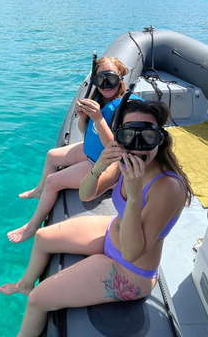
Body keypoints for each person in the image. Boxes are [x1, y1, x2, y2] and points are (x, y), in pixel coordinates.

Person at [0, 100, 192, 337]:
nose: (139, 146)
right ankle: (25, 284)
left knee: (39, 300)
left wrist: (133, 196)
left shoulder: (167, 187)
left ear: (160, 138)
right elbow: (86, 193)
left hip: (130, 269)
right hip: (113, 231)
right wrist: (98, 166)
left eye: (148, 136)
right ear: (120, 137)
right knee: (41, 236)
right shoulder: (124, 162)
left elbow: (133, 252)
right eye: (130, 135)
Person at [8, 56, 136, 243]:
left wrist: (99, 118)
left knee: (53, 181)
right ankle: (38, 190)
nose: (106, 84)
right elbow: (86, 132)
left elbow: (114, 149)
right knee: (52, 155)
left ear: (121, 78)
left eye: (111, 79)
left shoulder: (125, 107)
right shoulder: (99, 98)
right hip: (91, 152)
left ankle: (32, 226)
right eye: (100, 79)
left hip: (106, 164)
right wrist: (83, 116)